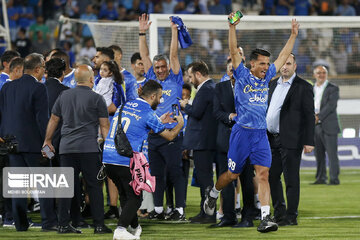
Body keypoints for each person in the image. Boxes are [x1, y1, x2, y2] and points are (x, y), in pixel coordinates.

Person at [203, 12, 299, 233]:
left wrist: (293, 35)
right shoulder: (242, 75)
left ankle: (265, 218)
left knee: (263, 174)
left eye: (268, 63)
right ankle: (214, 193)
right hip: (241, 134)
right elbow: (233, 50)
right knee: (232, 175)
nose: (267, 67)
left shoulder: (267, 78)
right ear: (252, 64)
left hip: (259, 134)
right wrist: (232, 27)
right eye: (262, 63)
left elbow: (283, 56)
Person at [103, 80, 184, 240]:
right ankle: (120, 230)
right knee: (135, 197)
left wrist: (160, 121)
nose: (161, 100)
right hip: (125, 160)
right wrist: (180, 124)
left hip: (108, 157)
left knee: (126, 195)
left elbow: (136, 127)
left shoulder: (124, 106)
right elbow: (169, 136)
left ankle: (134, 227)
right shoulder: (147, 113)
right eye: (160, 97)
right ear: (152, 95)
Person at [42, 65, 112, 234]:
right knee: (94, 187)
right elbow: (104, 126)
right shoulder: (97, 99)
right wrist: (110, 149)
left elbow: (53, 120)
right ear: (91, 79)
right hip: (89, 149)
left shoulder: (64, 95)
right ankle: (99, 225)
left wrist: (48, 140)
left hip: (66, 149)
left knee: (66, 187)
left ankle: (63, 224)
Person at [0, 53, 58, 232]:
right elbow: (42, 120)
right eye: (43, 69)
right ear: (38, 68)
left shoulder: (7, 88)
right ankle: (49, 223)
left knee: (17, 187)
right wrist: (47, 142)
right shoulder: (38, 88)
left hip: (11, 144)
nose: (44, 73)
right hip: (34, 144)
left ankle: (20, 224)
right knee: (45, 184)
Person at [139, 13, 186, 220]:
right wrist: (142, 33)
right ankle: (158, 210)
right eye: (157, 68)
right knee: (156, 174)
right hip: (154, 133)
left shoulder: (175, 78)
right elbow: (144, 56)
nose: (159, 70)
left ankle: (180, 210)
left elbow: (174, 55)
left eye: (162, 67)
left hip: (173, 133)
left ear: (168, 68)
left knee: (175, 173)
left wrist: (174, 31)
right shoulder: (152, 79)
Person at [266, 54, 315, 226]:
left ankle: (291, 216)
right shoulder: (272, 84)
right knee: (271, 177)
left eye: (288, 64)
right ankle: (279, 214)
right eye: (283, 64)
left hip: (291, 140)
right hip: (271, 139)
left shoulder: (303, 87)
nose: (285, 67)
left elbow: (309, 116)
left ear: (295, 65)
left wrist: (309, 141)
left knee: (291, 179)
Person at [213, 58, 258, 228]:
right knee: (225, 179)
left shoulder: (252, 88)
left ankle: (248, 217)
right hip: (225, 141)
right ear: (227, 70)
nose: (233, 72)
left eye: (236, 69)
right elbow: (216, 112)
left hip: (245, 140)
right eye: (230, 69)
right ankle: (228, 217)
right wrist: (229, 116)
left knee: (246, 180)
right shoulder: (220, 87)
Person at [179, 61, 217, 224]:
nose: (189, 79)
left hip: (204, 142)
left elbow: (196, 112)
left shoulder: (206, 89)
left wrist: (185, 105)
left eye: (190, 75)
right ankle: (205, 211)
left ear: (198, 74)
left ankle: (208, 213)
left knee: (205, 178)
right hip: (204, 141)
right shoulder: (210, 88)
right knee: (204, 178)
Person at [313, 65, 340, 185]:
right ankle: (320, 178)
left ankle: (334, 179)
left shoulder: (333, 88)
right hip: (315, 126)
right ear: (314, 75)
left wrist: (318, 116)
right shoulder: (311, 88)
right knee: (318, 155)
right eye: (319, 73)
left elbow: (331, 106)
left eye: (323, 73)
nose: (321, 75)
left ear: (326, 74)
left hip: (329, 125)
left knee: (332, 154)